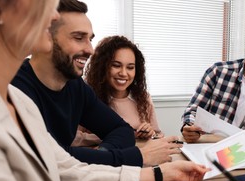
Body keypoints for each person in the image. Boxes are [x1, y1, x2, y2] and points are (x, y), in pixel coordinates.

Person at [0, 0, 245, 181]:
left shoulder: (19, 103)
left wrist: (159, 174)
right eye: (78, 37)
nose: (51, 15)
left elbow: (70, 170)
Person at [11, 0, 177, 167]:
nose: (90, 49)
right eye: (78, 38)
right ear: (44, 37)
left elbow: (122, 130)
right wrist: (138, 157)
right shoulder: (14, 88)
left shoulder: (76, 86)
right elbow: (53, 156)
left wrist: (102, 155)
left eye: (90, 39)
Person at [73, 35, 163, 147]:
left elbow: (159, 135)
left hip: (139, 156)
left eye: (130, 67)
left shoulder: (144, 98)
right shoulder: (88, 97)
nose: (124, 73)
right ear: (102, 66)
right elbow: (72, 138)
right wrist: (116, 135)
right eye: (116, 65)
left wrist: (151, 133)